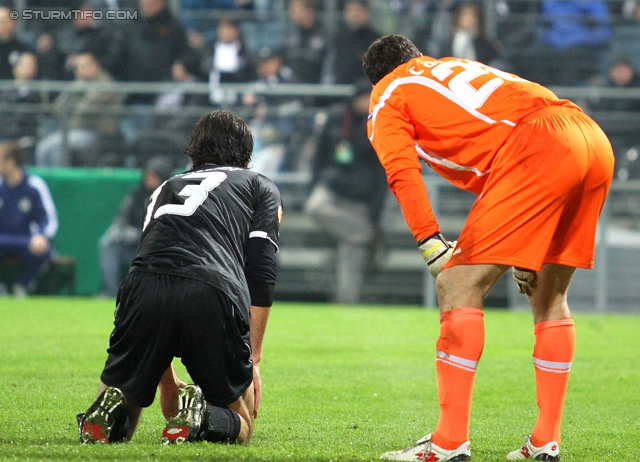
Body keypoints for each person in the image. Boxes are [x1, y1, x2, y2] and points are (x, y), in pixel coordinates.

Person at [362, 35, 614, 461]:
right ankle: (544, 442)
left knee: (456, 285)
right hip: (587, 136)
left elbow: (402, 171)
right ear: (417, 57)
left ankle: (447, 443)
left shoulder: (387, 93)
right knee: (549, 295)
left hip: (538, 147)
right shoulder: (451, 65)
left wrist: (428, 240)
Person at [77, 110, 282, 447]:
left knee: (121, 395)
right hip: (211, 287)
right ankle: (201, 415)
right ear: (246, 156)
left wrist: (167, 381)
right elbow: (260, 268)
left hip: (141, 288)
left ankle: (109, 414)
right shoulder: (259, 186)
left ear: (194, 150)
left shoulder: (164, 188)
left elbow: (156, 266)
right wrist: (253, 357)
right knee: (242, 423)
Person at [304, 80, 388, 304]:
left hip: (360, 198)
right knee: (314, 207)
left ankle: (347, 302)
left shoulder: (378, 124)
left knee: (352, 257)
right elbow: (319, 155)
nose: (364, 103)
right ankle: (365, 235)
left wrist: (375, 211)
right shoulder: (336, 117)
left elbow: (382, 173)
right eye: (362, 98)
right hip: (332, 185)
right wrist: (313, 183)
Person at [98, 156, 174, 298]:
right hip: (134, 248)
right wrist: (120, 230)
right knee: (107, 243)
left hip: (158, 250)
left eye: (153, 175)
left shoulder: (170, 197)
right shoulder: (137, 194)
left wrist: (143, 235)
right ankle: (111, 293)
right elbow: (122, 217)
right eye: (147, 174)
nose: (148, 178)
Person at [34, 53, 125, 167]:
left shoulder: (105, 84)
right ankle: (47, 182)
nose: (83, 70)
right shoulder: (79, 84)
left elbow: (84, 110)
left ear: (96, 66)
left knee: (57, 146)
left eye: (86, 66)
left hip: (97, 133)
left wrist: (76, 94)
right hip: (75, 131)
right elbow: (58, 108)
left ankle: (61, 181)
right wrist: (75, 89)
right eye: (80, 67)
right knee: (43, 148)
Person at [0, 141, 58, 297]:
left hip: (26, 240)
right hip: (2, 239)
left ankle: (23, 284)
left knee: (44, 250)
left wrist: (41, 235)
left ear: (10, 162)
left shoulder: (34, 186)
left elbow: (49, 219)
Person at [330, 0, 380, 85]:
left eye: (358, 10)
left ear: (367, 13)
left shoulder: (377, 40)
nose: (354, 14)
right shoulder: (338, 38)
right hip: (340, 91)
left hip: (365, 93)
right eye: (350, 10)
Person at [0, 7, 32, 80]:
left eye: (3, 21)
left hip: (13, 90)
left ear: (13, 23)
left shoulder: (23, 50)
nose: (1, 25)